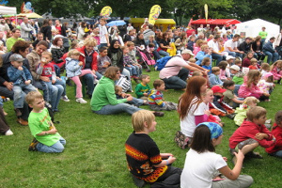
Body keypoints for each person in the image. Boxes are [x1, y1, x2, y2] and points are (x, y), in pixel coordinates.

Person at [181, 122, 253, 188]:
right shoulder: (215, 158)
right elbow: (233, 176)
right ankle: (219, 178)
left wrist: (218, 162)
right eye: (220, 134)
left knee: (216, 168)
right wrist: (240, 159)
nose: (222, 136)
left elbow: (203, 162)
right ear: (213, 140)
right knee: (247, 179)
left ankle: (217, 176)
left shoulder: (192, 150)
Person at [125, 110, 182, 188]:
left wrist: (162, 155)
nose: (156, 123)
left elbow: (145, 153)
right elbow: (157, 164)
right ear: (146, 124)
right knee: (179, 173)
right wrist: (168, 161)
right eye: (153, 121)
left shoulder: (131, 137)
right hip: (148, 174)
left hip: (135, 170)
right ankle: (158, 186)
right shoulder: (149, 143)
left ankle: (138, 178)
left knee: (165, 159)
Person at [91, 67, 164, 116]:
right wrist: (126, 100)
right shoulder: (108, 83)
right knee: (124, 105)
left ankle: (145, 102)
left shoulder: (107, 80)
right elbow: (113, 102)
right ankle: (148, 113)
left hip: (105, 103)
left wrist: (122, 94)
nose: (120, 75)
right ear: (112, 74)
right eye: (118, 73)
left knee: (126, 96)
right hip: (100, 108)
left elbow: (110, 95)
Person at [27, 40, 64, 113]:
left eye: (43, 50)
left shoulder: (44, 55)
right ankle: (47, 106)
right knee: (54, 89)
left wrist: (54, 76)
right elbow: (30, 71)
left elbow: (50, 68)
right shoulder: (30, 56)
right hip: (36, 79)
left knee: (60, 87)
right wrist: (40, 77)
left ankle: (53, 108)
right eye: (40, 48)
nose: (41, 51)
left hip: (47, 77)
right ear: (36, 46)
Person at [177, 76, 208, 145]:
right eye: (205, 85)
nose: (207, 87)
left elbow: (179, 111)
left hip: (184, 130)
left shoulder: (182, 97)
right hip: (193, 132)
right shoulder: (198, 103)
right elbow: (199, 123)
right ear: (198, 87)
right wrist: (206, 115)